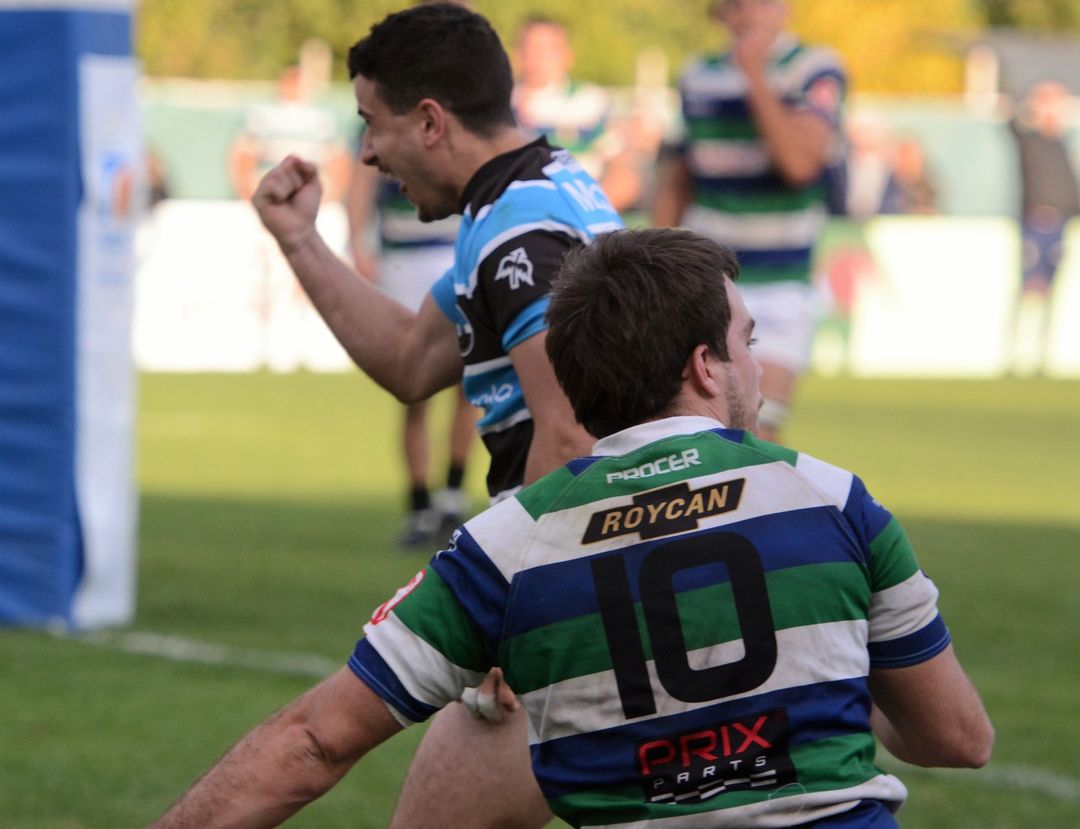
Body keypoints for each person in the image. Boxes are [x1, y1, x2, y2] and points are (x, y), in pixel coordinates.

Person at [148, 227, 994, 829]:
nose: (755, 363)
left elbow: (310, 742)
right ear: (705, 366)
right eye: (747, 340)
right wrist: (811, 700)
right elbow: (957, 737)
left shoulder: (505, 547)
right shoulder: (832, 500)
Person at [249, 4, 621, 826]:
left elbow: (568, 430)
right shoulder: (537, 190)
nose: (368, 151)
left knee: (319, 738)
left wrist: (530, 610)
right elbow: (414, 360)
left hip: (590, 581)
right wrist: (300, 238)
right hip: (615, 566)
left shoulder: (517, 226)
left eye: (372, 125)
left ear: (429, 120)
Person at [651, 0, 846, 441]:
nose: (751, 13)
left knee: (756, 429)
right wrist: (652, 259)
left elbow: (800, 164)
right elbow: (679, 179)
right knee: (697, 426)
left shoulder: (815, 68)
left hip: (782, 281)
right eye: (738, 4)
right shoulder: (697, 75)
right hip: (713, 282)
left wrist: (754, 74)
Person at [345, 148, 477, 547]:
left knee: (469, 382)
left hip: (456, 252)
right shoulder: (386, 109)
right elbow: (362, 180)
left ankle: (453, 493)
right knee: (413, 383)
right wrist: (358, 244)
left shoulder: (460, 108)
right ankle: (420, 502)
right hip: (403, 257)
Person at [512, 15, 645, 213]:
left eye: (546, 50)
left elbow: (624, 179)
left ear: (567, 55)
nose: (536, 58)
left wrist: (582, 215)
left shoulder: (590, 102)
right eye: (529, 49)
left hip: (576, 226)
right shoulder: (499, 103)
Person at [1008, 80, 1079, 376]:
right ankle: (1016, 356)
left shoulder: (1061, 144)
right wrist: (1035, 103)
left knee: (1050, 293)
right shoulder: (1030, 140)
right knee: (1029, 291)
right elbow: (1011, 122)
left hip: (1060, 226)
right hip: (1036, 223)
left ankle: (1041, 357)